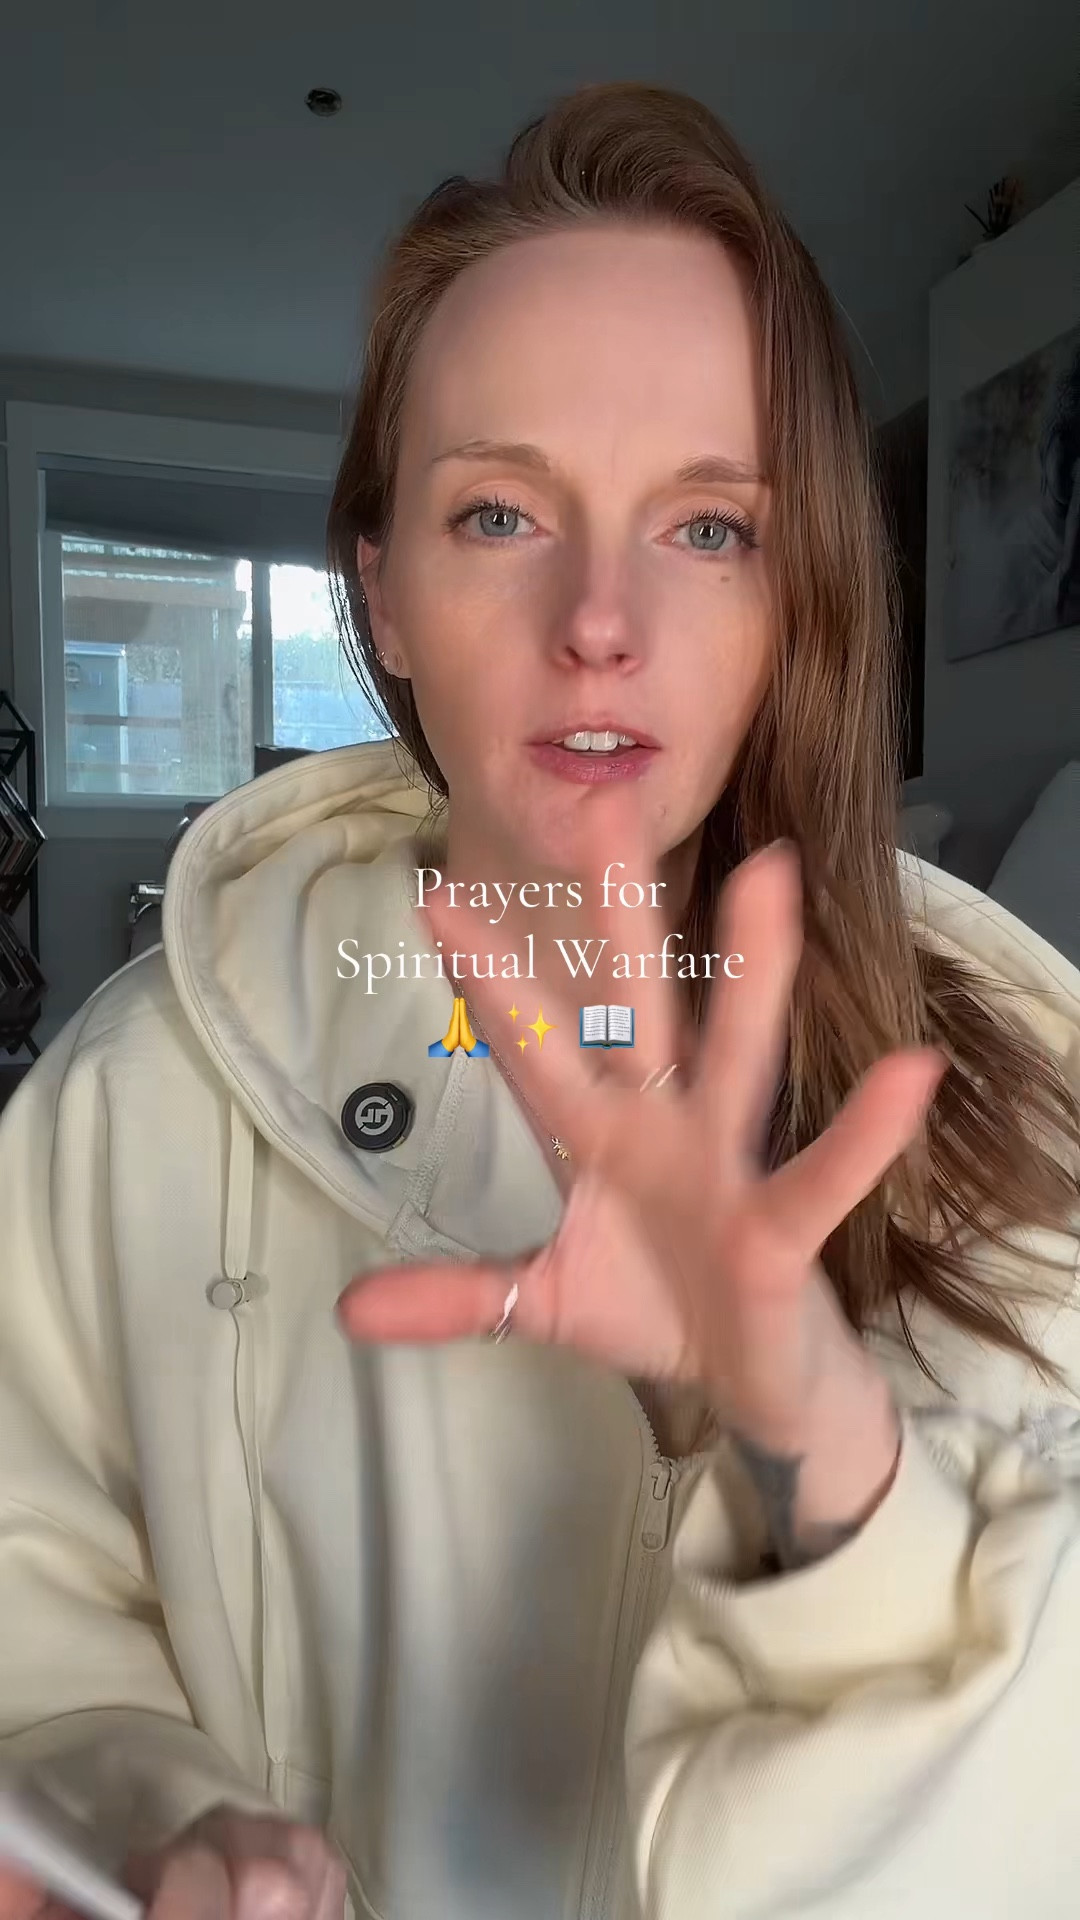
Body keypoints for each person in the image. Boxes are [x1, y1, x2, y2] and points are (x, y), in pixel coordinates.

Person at [2, 79, 1079, 1920]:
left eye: (709, 528)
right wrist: (156, 1813)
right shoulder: (133, 1095)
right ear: (384, 597)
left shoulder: (1022, 1114)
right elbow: (35, 1619)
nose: (599, 618)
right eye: (500, 514)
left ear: (798, 599)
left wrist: (825, 1460)